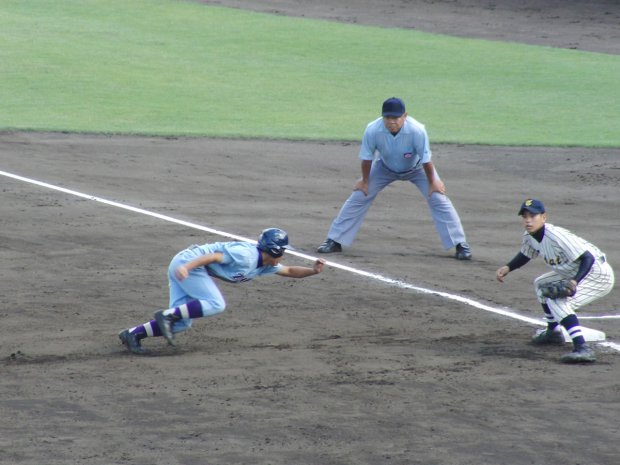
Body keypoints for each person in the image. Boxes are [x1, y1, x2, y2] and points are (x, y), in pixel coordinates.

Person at [119, 228, 326, 354]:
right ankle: (166, 315)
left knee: (181, 323)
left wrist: (313, 271)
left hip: (188, 267)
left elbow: (289, 270)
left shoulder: (264, 264)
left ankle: (132, 335)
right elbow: (214, 257)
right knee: (216, 303)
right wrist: (187, 267)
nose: (283, 255)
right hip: (188, 264)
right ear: (275, 250)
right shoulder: (245, 255)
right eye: (283, 250)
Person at [316, 97, 472, 260]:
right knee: (359, 196)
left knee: (438, 199)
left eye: (395, 118)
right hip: (384, 168)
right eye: (387, 117)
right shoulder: (372, 129)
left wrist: (433, 182)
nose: (391, 121)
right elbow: (367, 158)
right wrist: (365, 180)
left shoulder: (417, 130)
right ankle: (334, 240)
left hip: (417, 169)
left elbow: (426, 159)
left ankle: (460, 244)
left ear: (405, 116)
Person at [496, 199, 614, 363]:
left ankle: (582, 348)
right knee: (541, 284)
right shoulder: (529, 236)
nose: (528, 220)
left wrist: (574, 282)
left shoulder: (556, 236)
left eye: (533, 216)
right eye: (525, 216)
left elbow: (588, 258)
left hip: (596, 275)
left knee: (557, 302)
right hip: (573, 270)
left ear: (543, 217)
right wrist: (508, 267)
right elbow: (526, 254)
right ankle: (553, 332)